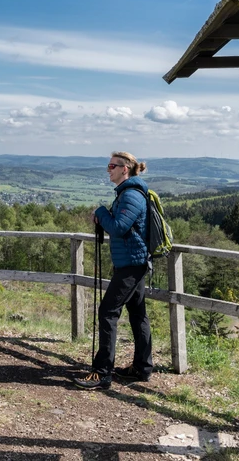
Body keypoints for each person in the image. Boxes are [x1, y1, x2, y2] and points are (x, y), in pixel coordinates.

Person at [75, 151, 153, 390]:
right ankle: (141, 368)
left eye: (112, 166)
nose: (108, 170)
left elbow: (119, 228)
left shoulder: (131, 196)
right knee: (137, 313)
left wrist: (101, 213)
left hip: (130, 264)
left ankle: (101, 373)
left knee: (108, 311)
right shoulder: (128, 194)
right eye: (108, 166)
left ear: (124, 169)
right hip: (133, 262)